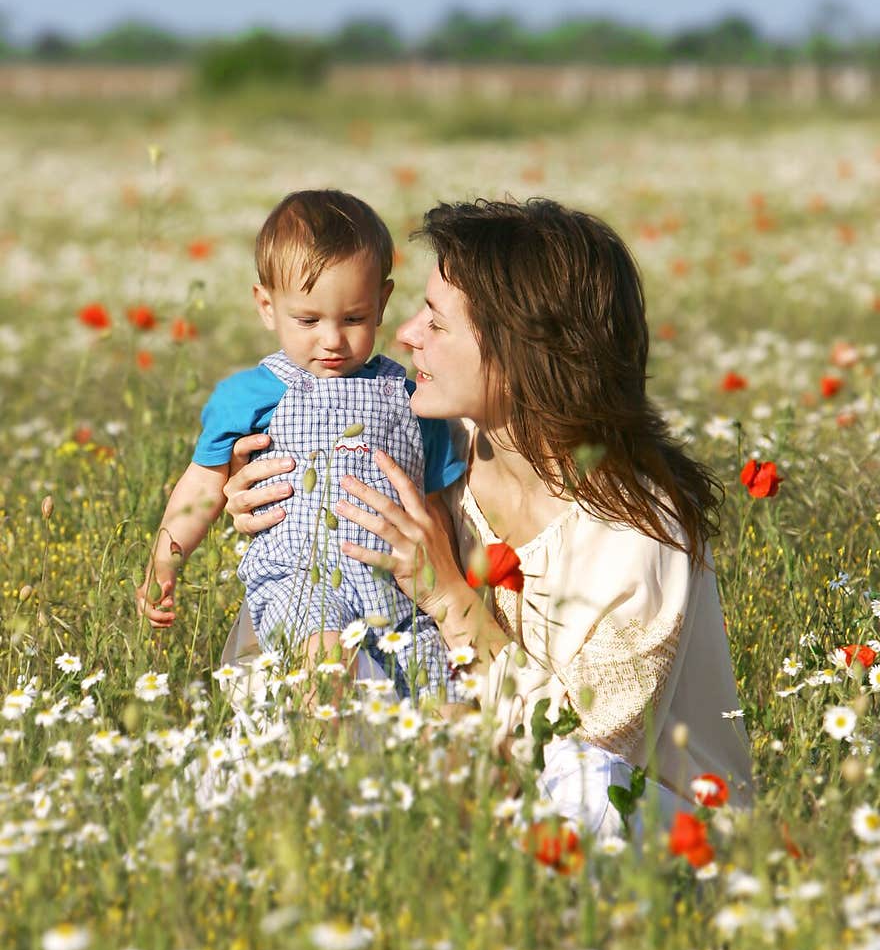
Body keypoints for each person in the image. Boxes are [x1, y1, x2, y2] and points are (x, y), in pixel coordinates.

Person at [221, 198, 753, 835]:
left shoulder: (640, 530)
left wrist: (448, 593)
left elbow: (586, 751)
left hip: (654, 832)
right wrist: (269, 502)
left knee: (586, 789)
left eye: (437, 323)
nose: (406, 334)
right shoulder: (438, 452)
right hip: (467, 778)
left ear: (525, 353)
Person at [136, 189, 466, 700]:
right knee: (324, 667)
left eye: (353, 318)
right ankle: (319, 766)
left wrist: (447, 584)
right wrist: (165, 560)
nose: (332, 339)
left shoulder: (411, 396)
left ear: (381, 301)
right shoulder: (252, 393)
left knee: (443, 695)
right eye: (309, 320)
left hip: (397, 587)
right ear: (267, 306)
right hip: (300, 579)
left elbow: (434, 503)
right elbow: (204, 482)